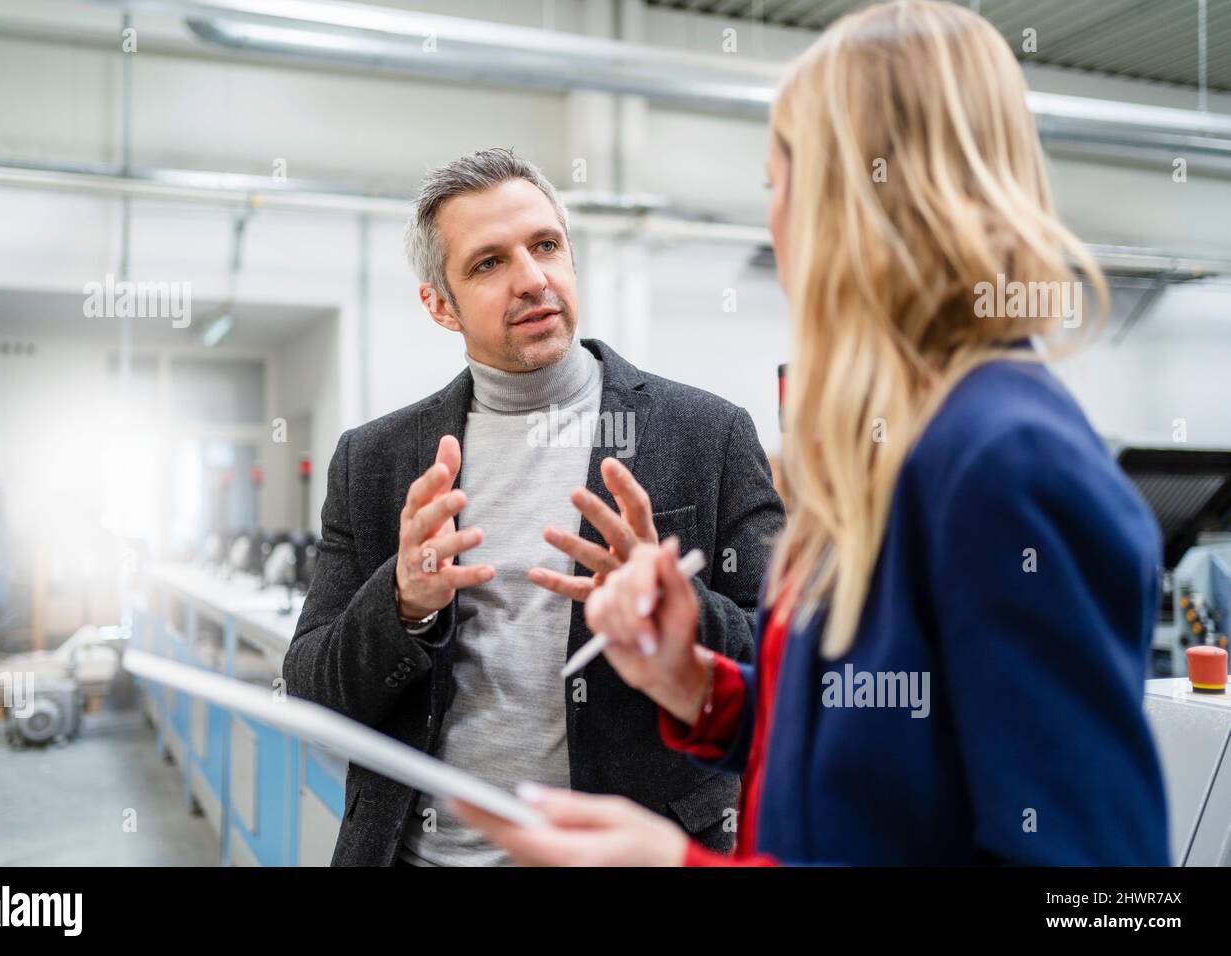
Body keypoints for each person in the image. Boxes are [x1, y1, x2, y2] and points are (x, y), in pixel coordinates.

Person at [453, 0, 1169, 866]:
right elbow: (872, 749)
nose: (774, 220)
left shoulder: (1004, 461)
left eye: (779, 183)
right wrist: (694, 684)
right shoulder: (894, 441)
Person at [283, 147, 785, 866]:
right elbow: (311, 690)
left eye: (545, 245)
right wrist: (401, 603)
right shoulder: (375, 460)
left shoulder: (707, 435)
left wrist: (677, 607)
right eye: (488, 263)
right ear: (438, 304)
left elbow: (788, 665)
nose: (531, 279)